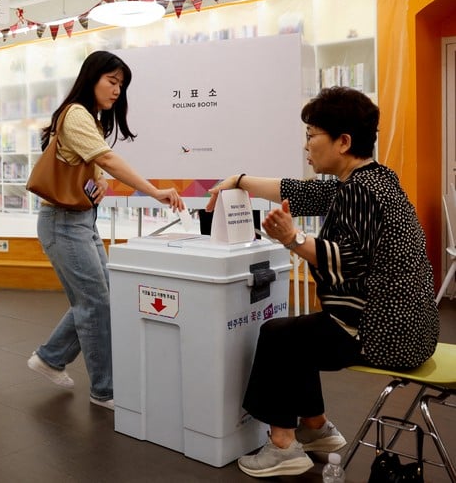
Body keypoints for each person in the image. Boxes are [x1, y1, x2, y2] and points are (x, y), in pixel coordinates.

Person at [205, 86, 440, 477]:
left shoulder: (360, 191)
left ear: (343, 141)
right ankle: (315, 429)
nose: (306, 146)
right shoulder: (371, 179)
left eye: (312, 136)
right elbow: (300, 192)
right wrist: (240, 179)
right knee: (300, 332)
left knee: (280, 336)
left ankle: (283, 446)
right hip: (415, 330)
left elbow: (348, 261)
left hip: (386, 334)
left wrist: (291, 238)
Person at [26, 50, 185, 410]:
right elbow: (109, 161)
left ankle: (50, 358)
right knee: (95, 301)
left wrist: (98, 185)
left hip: (80, 220)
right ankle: (105, 390)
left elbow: (96, 171)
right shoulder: (77, 114)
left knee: (100, 298)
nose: (117, 91)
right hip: (63, 224)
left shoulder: (91, 120)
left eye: (121, 85)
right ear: (92, 77)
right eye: (112, 82)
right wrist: (154, 191)